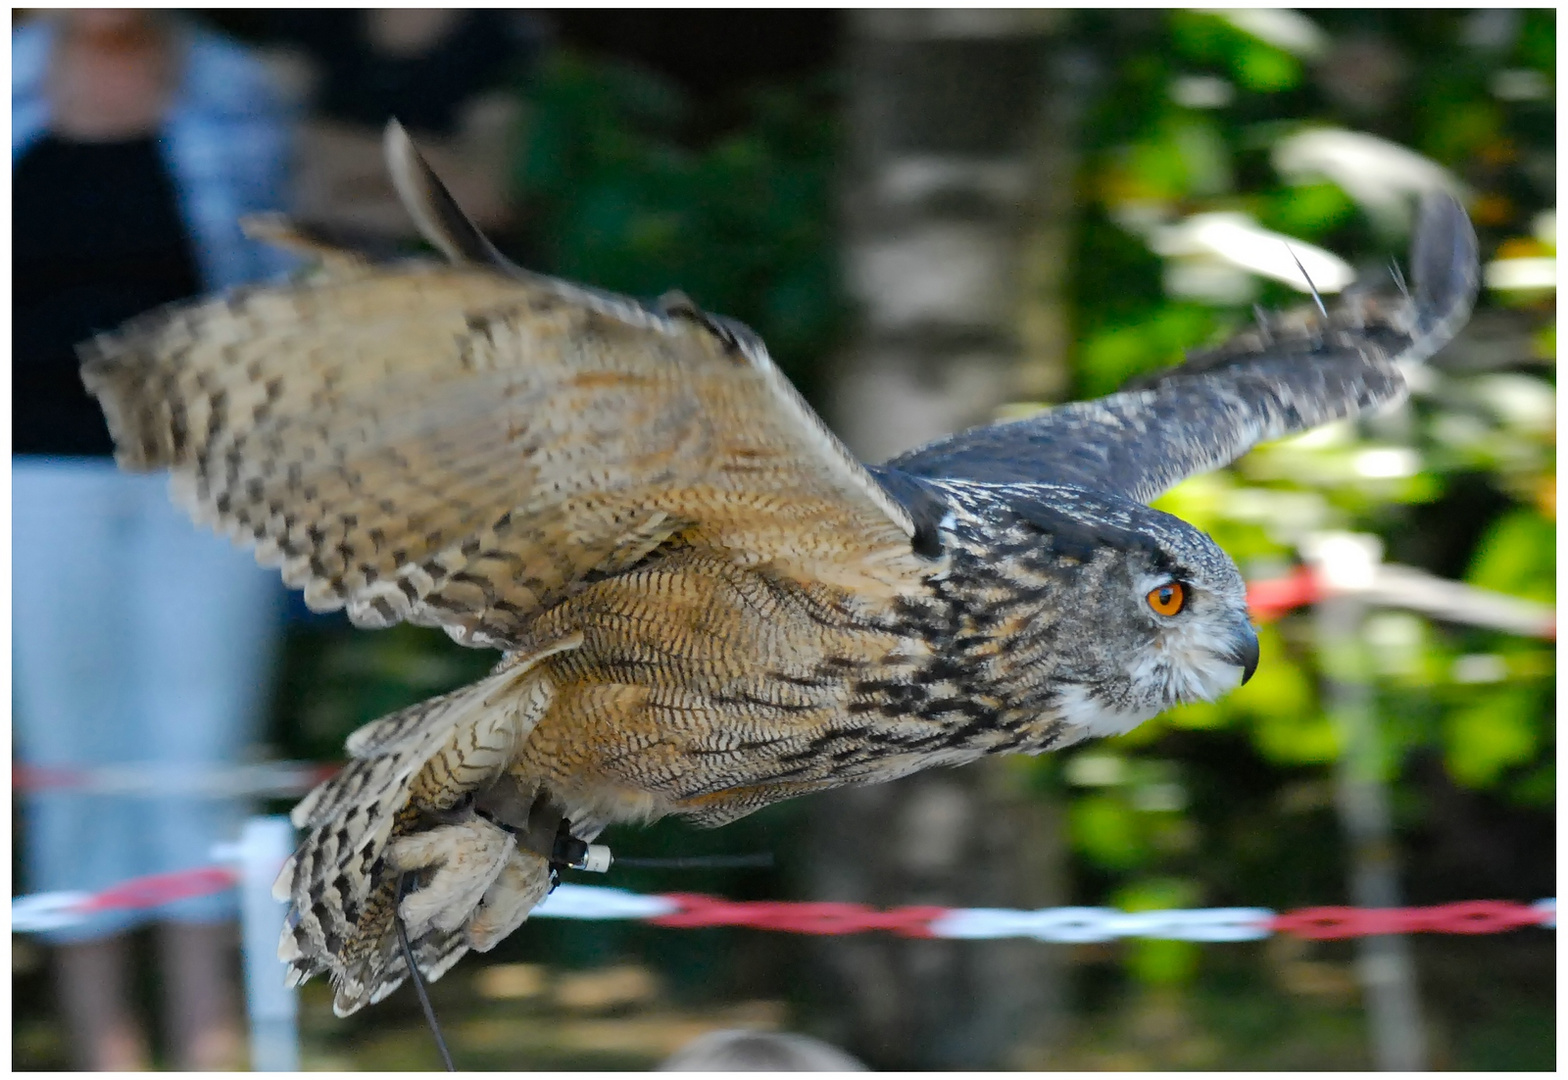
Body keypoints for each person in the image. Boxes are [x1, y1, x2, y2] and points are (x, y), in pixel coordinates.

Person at [12, 10, 295, 1070]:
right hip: (28, 472)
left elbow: (274, 291)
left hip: (206, 475)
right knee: (70, 759)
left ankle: (209, 1039)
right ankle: (102, 1050)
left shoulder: (233, 87)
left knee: (201, 759)